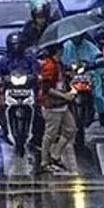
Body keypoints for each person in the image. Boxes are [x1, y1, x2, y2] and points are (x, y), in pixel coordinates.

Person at [38, 44, 77, 174]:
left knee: (70, 129)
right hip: (52, 106)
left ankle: (55, 155)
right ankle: (44, 162)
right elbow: (47, 88)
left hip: (62, 105)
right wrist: (64, 95)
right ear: (58, 51)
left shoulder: (59, 64)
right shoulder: (50, 66)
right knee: (50, 135)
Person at [0, 31, 39, 128]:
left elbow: (36, 70)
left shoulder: (29, 57)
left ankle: (39, 112)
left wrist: (36, 76)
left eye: (18, 45)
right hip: (10, 87)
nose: (16, 47)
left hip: (27, 86)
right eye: (14, 45)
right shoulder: (5, 59)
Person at [62, 31, 104, 129]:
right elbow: (61, 60)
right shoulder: (66, 47)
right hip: (72, 77)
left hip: (89, 76)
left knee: (98, 95)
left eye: (78, 36)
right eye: (73, 36)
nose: (76, 38)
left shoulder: (90, 46)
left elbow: (98, 57)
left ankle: (102, 117)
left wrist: (95, 63)